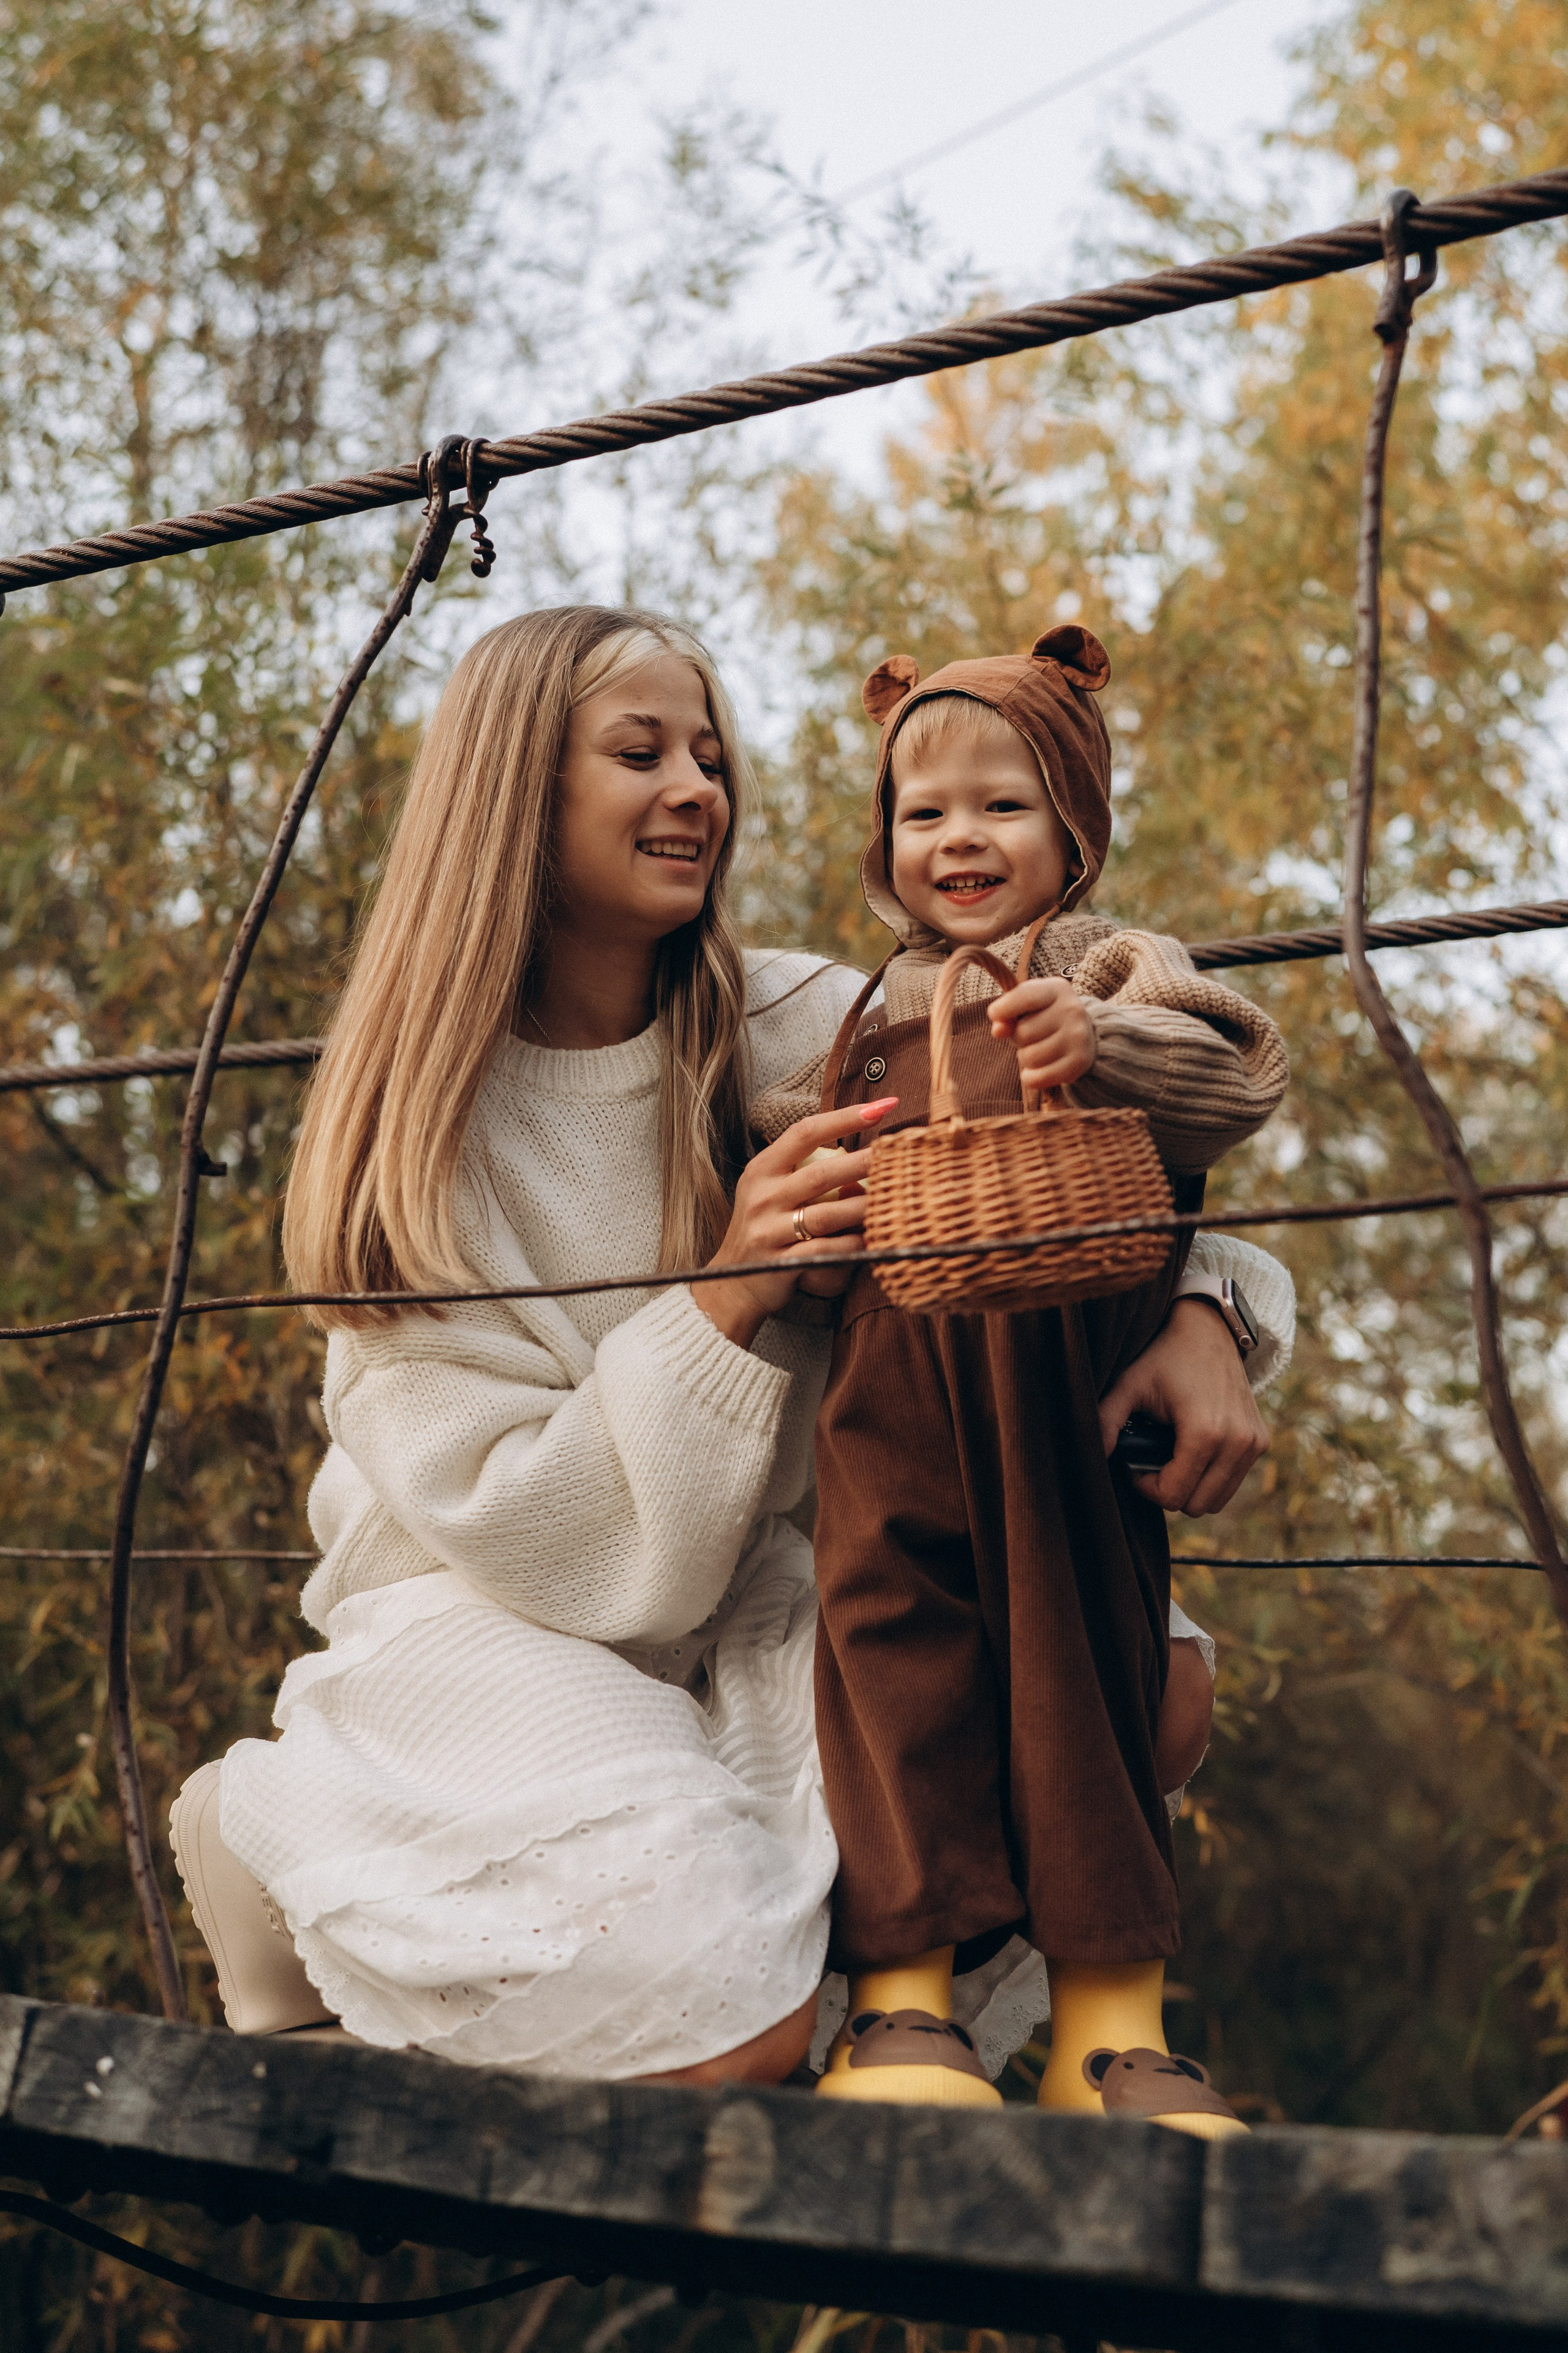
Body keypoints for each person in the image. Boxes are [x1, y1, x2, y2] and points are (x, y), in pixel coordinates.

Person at [176, 605, 1291, 2088]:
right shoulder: (417, 1132)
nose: (695, 789)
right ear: (513, 790)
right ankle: (290, 1844)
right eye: (639, 752)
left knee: (1147, 1698)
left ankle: (742, 1975)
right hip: (506, 1607)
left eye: (709, 755)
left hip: (760, 1593)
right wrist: (727, 1293)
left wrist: (1209, 1312)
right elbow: (519, 1521)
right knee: (736, 2018)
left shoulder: (801, 1018)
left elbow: (1047, 1169)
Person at [756, 625, 1289, 2131]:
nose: (959, 839)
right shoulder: (866, 1015)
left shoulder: (1100, 963)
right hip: (888, 1400)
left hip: (1064, 1383)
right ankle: (902, 2002)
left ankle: (1107, 2028)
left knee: (1088, 1670)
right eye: (922, 812)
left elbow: (1235, 1074)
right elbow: (790, 1142)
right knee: (889, 1657)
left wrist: (1100, 1039)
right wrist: (780, 1197)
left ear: (1074, 828)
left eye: (1002, 804)